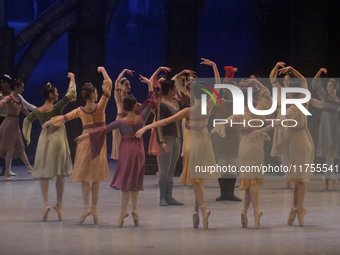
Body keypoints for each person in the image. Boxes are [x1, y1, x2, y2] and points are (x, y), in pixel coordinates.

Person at [135, 58, 221, 229]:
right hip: (206, 143)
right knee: (199, 179)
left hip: (194, 142)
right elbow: (218, 87)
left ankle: (203, 209)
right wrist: (214, 67)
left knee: (195, 180)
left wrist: (146, 128)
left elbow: (164, 121)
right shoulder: (209, 104)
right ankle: (196, 212)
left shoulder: (188, 110)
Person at [75, 77, 156, 228]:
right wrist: (150, 84)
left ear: (124, 108)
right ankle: (135, 210)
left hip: (126, 152)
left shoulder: (120, 122)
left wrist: (85, 135)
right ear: (135, 106)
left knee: (127, 182)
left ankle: (123, 212)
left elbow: (102, 130)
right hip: (139, 151)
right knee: (136, 181)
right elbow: (151, 101)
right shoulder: (141, 118)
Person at [42, 67, 112, 225]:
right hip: (98, 144)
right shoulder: (100, 106)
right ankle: (93, 208)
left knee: (86, 179)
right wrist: (103, 71)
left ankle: (87, 207)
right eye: (95, 92)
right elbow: (108, 85)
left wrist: (48, 122)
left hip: (85, 143)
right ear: (94, 94)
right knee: (95, 179)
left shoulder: (80, 111)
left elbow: (63, 118)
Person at [249, 66, 314, 227]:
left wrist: (259, 131)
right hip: (302, 137)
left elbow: (278, 123)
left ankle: (298, 208)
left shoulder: (294, 107)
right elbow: (304, 81)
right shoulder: (303, 99)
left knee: (299, 179)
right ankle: (296, 207)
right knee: (298, 179)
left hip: (298, 140)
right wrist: (293, 69)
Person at [212, 78, 272, 229]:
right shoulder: (260, 107)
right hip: (258, 144)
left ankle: (252, 210)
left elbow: (228, 120)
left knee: (250, 181)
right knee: (250, 181)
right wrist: (256, 82)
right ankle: (248, 211)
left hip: (246, 144)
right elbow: (267, 93)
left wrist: (215, 129)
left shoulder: (241, 111)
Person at [22, 73, 77, 221]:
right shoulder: (57, 107)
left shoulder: (38, 111)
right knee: (60, 174)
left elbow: (27, 121)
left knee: (44, 174)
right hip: (58, 139)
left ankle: (46, 204)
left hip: (45, 141)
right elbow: (71, 94)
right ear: (51, 95)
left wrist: (27, 137)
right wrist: (72, 78)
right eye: (56, 92)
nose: (58, 94)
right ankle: (59, 204)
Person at [0, 74, 36, 176]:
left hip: (14, 123)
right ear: (16, 87)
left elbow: (25, 109)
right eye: (21, 88)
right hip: (8, 123)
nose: (23, 90)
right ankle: (8, 171)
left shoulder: (19, 99)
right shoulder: (8, 97)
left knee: (19, 147)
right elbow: (2, 102)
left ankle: (28, 168)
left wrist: (35, 115)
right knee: (9, 148)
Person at [269, 62, 296, 189]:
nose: (286, 83)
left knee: (293, 150)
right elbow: (272, 79)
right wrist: (276, 66)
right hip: (282, 118)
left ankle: (293, 175)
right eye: (285, 81)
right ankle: (287, 176)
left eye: (288, 81)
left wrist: (292, 70)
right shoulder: (280, 90)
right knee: (284, 150)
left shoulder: (297, 92)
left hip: (293, 119)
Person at [312, 68, 340, 190]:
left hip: (335, 127)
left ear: (336, 87)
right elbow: (315, 83)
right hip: (325, 127)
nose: (328, 88)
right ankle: (332, 177)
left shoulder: (338, 102)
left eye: (330, 86)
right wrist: (319, 71)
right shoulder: (324, 96)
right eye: (327, 86)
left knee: (330, 155)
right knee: (328, 153)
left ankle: (327, 177)